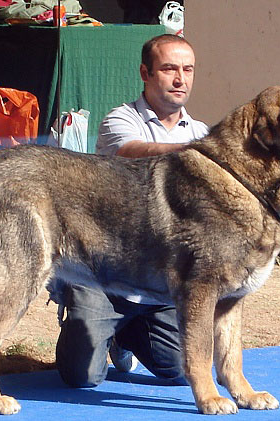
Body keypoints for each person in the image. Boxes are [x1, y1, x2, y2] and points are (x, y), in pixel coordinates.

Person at [54, 34, 208, 388]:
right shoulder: (118, 121)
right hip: (102, 275)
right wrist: (208, 153)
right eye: (169, 68)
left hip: (159, 284)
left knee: (184, 371)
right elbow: (135, 152)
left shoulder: (202, 132)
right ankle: (90, 323)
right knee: (82, 377)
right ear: (145, 72)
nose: (180, 79)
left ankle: (124, 336)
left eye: (188, 70)